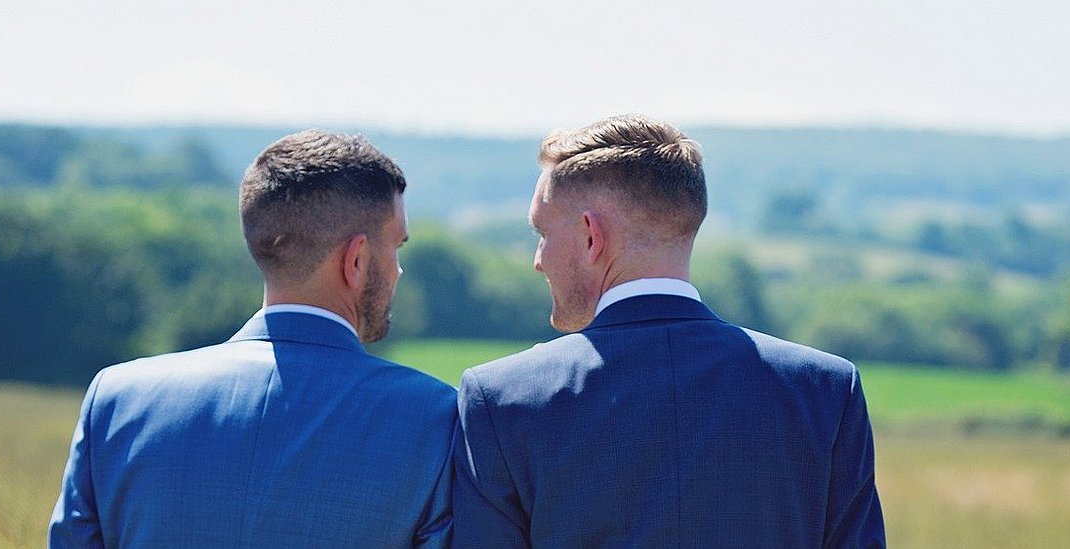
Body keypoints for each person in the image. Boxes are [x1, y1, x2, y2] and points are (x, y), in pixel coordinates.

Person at [451, 115, 885, 548]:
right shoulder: (825, 389)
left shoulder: (503, 400)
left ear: (591, 236)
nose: (538, 260)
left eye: (543, 233)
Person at [50, 130, 456, 548]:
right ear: (355, 259)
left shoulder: (117, 401)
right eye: (396, 246)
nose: (398, 270)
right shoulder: (438, 418)